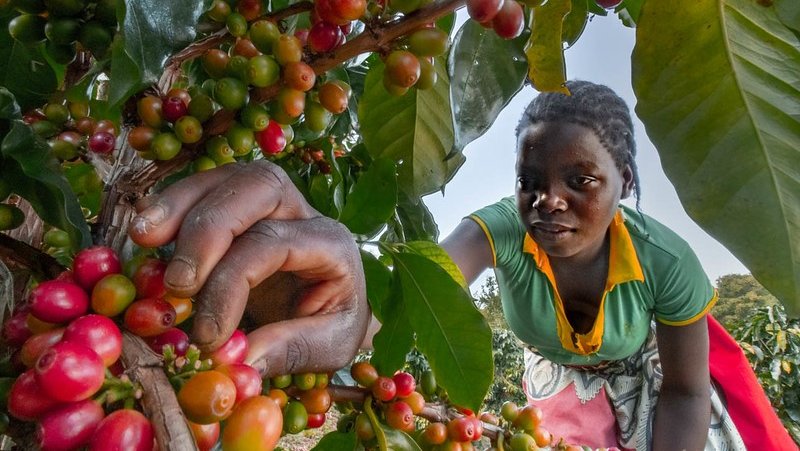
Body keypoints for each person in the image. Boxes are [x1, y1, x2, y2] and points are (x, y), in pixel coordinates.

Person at [129, 81, 789, 450]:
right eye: (532, 180)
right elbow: (412, 297)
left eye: (581, 180)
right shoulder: (501, 229)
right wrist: (338, 298)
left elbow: (684, 391)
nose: (550, 200)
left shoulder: (664, 261)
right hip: (561, 389)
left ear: (625, 182)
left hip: (656, 391)